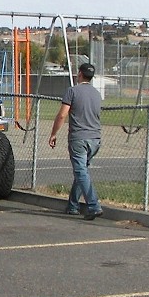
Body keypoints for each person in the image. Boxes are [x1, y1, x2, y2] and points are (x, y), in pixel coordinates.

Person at [48, 62, 103, 220]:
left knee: (81, 172)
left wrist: (53, 134)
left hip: (79, 137)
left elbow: (62, 115)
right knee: (82, 172)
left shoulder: (72, 91)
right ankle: (73, 205)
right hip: (95, 138)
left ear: (80, 74)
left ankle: (93, 205)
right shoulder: (96, 94)